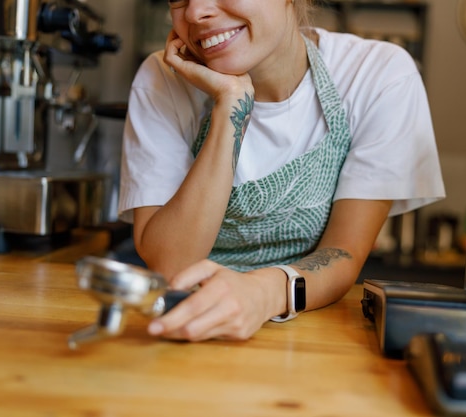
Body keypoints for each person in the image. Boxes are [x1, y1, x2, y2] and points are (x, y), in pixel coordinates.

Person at [118, 0, 445, 342]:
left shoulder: (376, 74)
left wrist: (261, 294)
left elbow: (343, 252)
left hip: (307, 336)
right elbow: (171, 265)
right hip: (186, 327)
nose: (196, 12)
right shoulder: (162, 80)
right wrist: (232, 104)